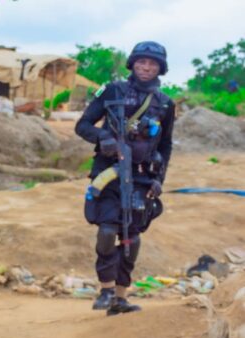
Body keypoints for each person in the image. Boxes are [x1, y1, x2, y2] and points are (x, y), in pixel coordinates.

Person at [75, 41, 176, 316]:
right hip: (108, 175)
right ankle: (106, 290)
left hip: (142, 178)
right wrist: (104, 138)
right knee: (108, 230)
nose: (146, 67)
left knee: (132, 238)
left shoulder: (165, 103)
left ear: (160, 68)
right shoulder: (112, 91)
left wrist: (160, 181)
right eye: (142, 62)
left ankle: (121, 297)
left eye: (152, 64)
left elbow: (165, 145)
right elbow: (82, 125)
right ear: (133, 63)